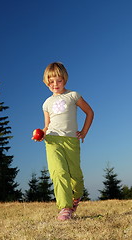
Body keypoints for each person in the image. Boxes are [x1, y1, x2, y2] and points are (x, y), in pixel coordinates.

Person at [32, 62, 94, 221]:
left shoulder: (73, 95)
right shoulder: (46, 103)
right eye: (51, 81)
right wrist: (40, 134)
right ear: (46, 83)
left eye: (58, 80)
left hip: (71, 141)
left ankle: (77, 196)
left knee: (75, 175)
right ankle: (65, 208)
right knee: (58, 172)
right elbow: (47, 126)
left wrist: (84, 132)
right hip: (52, 140)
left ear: (64, 79)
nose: (55, 84)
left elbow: (89, 112)